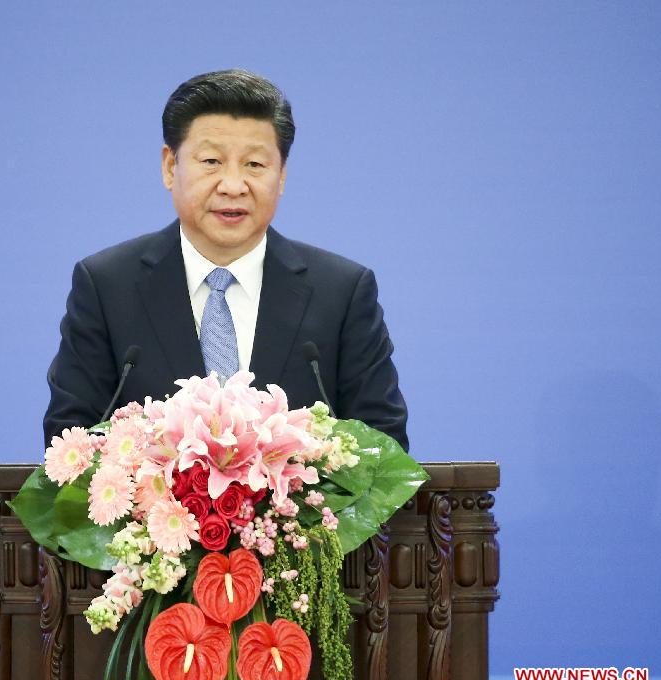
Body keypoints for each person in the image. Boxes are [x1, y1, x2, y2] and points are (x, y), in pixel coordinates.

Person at [44, 69, 409, 451]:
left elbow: (384, 449)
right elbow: (70, 446)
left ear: (281, 175)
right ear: (171, 167)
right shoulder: (107, 286)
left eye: (254, 165)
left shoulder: (341, 292)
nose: (233, 185)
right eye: (212, 161)